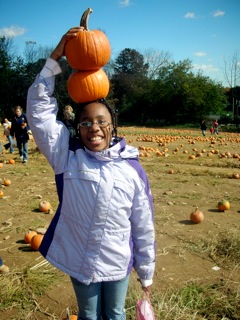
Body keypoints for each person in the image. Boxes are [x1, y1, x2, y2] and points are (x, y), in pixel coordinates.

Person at [27, 27, 155, 320]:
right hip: (79, 261)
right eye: (85, 122)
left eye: (101, 121)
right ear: (77, 128)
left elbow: (143, 223)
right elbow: (39, 112)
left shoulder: (132, 170)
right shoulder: (66, 156)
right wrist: (54, 59)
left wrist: (146, 271)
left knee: (115, 314)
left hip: (117, 262)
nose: (93, 127)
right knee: (88, 315)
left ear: (113, 127)